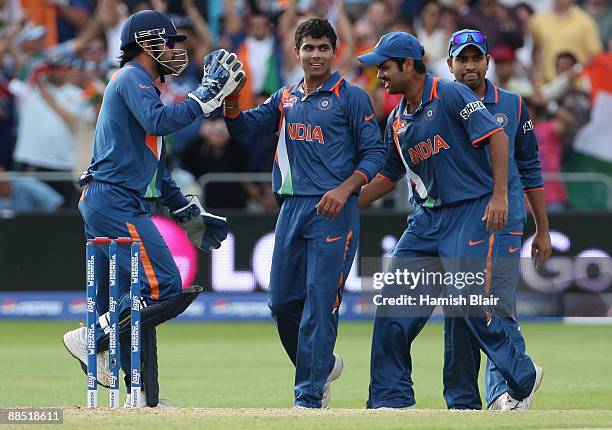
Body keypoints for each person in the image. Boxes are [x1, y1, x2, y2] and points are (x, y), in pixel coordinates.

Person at [61, 9, 243, 407]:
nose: (178, 51)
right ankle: (91, 335)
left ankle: (144, 397)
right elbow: (159, 123)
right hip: (114, 201)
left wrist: (184, 211)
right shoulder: (131, 78)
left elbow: (156, 168)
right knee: (165, 286)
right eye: (170, 42)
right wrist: (203, 95)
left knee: (139, 295)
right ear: (145, 44)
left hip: (117, 199)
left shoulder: (145, 87)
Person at [357, 31, 543, 410]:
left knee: (468, 301)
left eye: (385, 67)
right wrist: (344, 199)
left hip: (471, 212)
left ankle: (522, 374)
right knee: (393, 305)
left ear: (408, 65)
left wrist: (499, 196)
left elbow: (498, 139)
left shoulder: (451, 93)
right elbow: (386, 178)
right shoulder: (396, 118)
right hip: (425, 220)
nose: (380, 76)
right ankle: (390, 400)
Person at [223, 18, 386, 408]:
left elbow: (376, 153)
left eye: (322, 48)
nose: (315, 55)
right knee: (281, 303)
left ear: (336, 51)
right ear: (296, 53)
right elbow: (243, 128)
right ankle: (321, 365)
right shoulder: (286, 96)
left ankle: (309, 397)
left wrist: (345, 189)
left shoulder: (352, 97)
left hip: (334, 211)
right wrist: (231, 100)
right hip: (292, 209)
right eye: (308, 48)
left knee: (319, 303)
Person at [444, 29, 552, 410]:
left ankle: (507, 392)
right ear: (450, 64)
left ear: (487, 61)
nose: (470, 65)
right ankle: (461, 400)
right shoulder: (438, 104)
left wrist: (542, 228)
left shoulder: (513, 105)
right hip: (456, 221)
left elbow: (531, 168)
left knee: (496, 304)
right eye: (463, 58)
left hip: (503, 218)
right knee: (460, 310)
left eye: (477, 58)